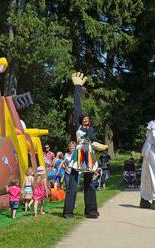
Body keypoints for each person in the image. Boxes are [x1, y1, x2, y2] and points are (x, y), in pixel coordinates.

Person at [63, 72, 108, 219]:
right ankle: (68, 211)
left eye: (88, 119)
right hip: (79, 154)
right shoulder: (78, 126)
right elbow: (77, 107)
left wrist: (101, 146)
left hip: (89, 155)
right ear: (81, 120)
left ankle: (91, 211)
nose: (86, 120)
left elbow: (94, 141)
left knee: (89, 183)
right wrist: (77, 88)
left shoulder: (91, 131)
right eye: (84, 119)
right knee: (73, 183)